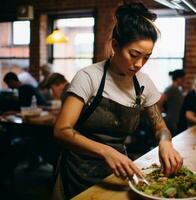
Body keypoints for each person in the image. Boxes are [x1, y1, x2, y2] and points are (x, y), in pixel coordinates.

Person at [52, 2, 183, 199]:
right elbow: (61, 130)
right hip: (77, 172)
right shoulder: (89, 77)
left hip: (118, 172)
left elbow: (160, 127)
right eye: (134, 54)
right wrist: (106, 151)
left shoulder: (144, 84)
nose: (139, 64)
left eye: (146, 57)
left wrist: (166, 142)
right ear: (115, 45)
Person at [159, 69, 185, 136]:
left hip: (177, 120)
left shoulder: (178, 89)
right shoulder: (171, 88)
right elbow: (161, 99)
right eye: (183, 78)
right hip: (172, 120)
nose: (184, 80)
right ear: (178, 78)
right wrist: (159, 112)